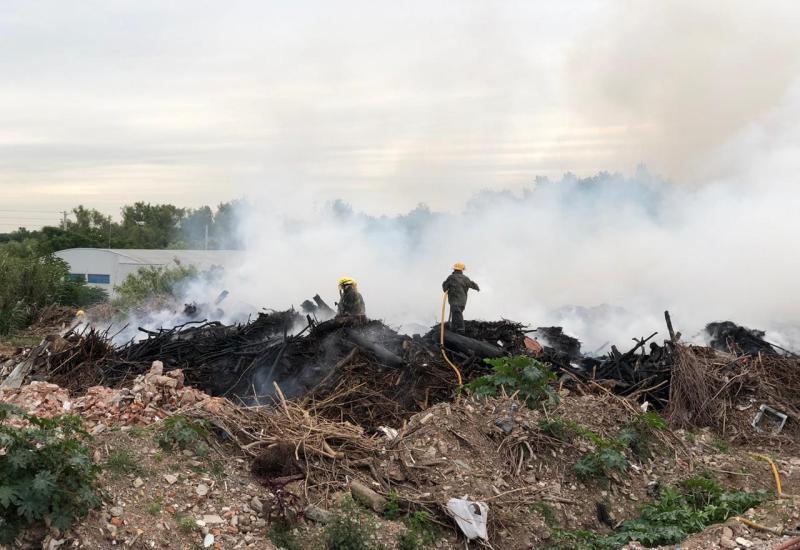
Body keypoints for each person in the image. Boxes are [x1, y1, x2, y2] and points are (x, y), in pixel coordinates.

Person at [442, 262, 479, 333]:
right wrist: (477, 288)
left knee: (456, 313)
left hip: (454, 300)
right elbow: (472, 284)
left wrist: (444, 283)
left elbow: (445, 288)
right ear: (462, 270)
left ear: (454, 270)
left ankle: (460, 328)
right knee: (456, 314)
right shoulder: (465, 278)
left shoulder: (451, 277)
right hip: (462, 301)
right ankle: (454, 329)